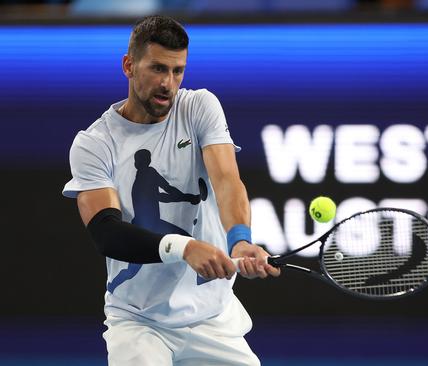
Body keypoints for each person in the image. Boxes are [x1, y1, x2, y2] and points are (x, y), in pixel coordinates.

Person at [62, 15, 280, 366]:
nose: (168, 83)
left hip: (212, 319)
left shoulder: (199, 107)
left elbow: (227, 180)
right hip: (138, 323)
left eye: (178, 71)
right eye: (158, 69)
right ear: (129, 66)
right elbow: (107, 234)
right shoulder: (94, 144)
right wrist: (186, 247)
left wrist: (239, 239)